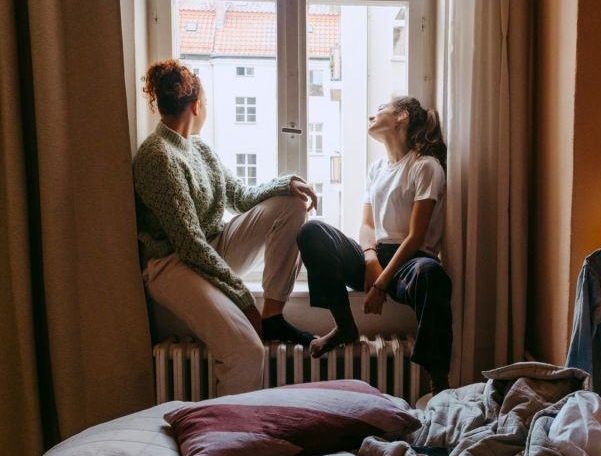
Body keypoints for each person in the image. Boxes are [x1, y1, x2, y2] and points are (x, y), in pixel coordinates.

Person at [134, 59, 317, 396]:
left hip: (212, 247)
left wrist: (287, 183)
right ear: (196, 105)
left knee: (291, 204)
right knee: (246, 352)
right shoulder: (157, 157)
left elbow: (240, 196)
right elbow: (188, 243)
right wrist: (244, 299)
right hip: (172, 265)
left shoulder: (199, 147)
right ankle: (228, 440)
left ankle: (274, 315)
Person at [296, 96, 452, 393]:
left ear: (402, 117)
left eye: (380, 110)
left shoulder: (426, 167)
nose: (372, 115)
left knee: (434, 276)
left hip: (411, 261)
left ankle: (438, 378)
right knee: (313, 230)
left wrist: (381, 284)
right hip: (377, 256)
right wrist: (370, 260)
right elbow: (367, 225)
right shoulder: (377, 168)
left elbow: (416, 236)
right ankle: (345, 326)